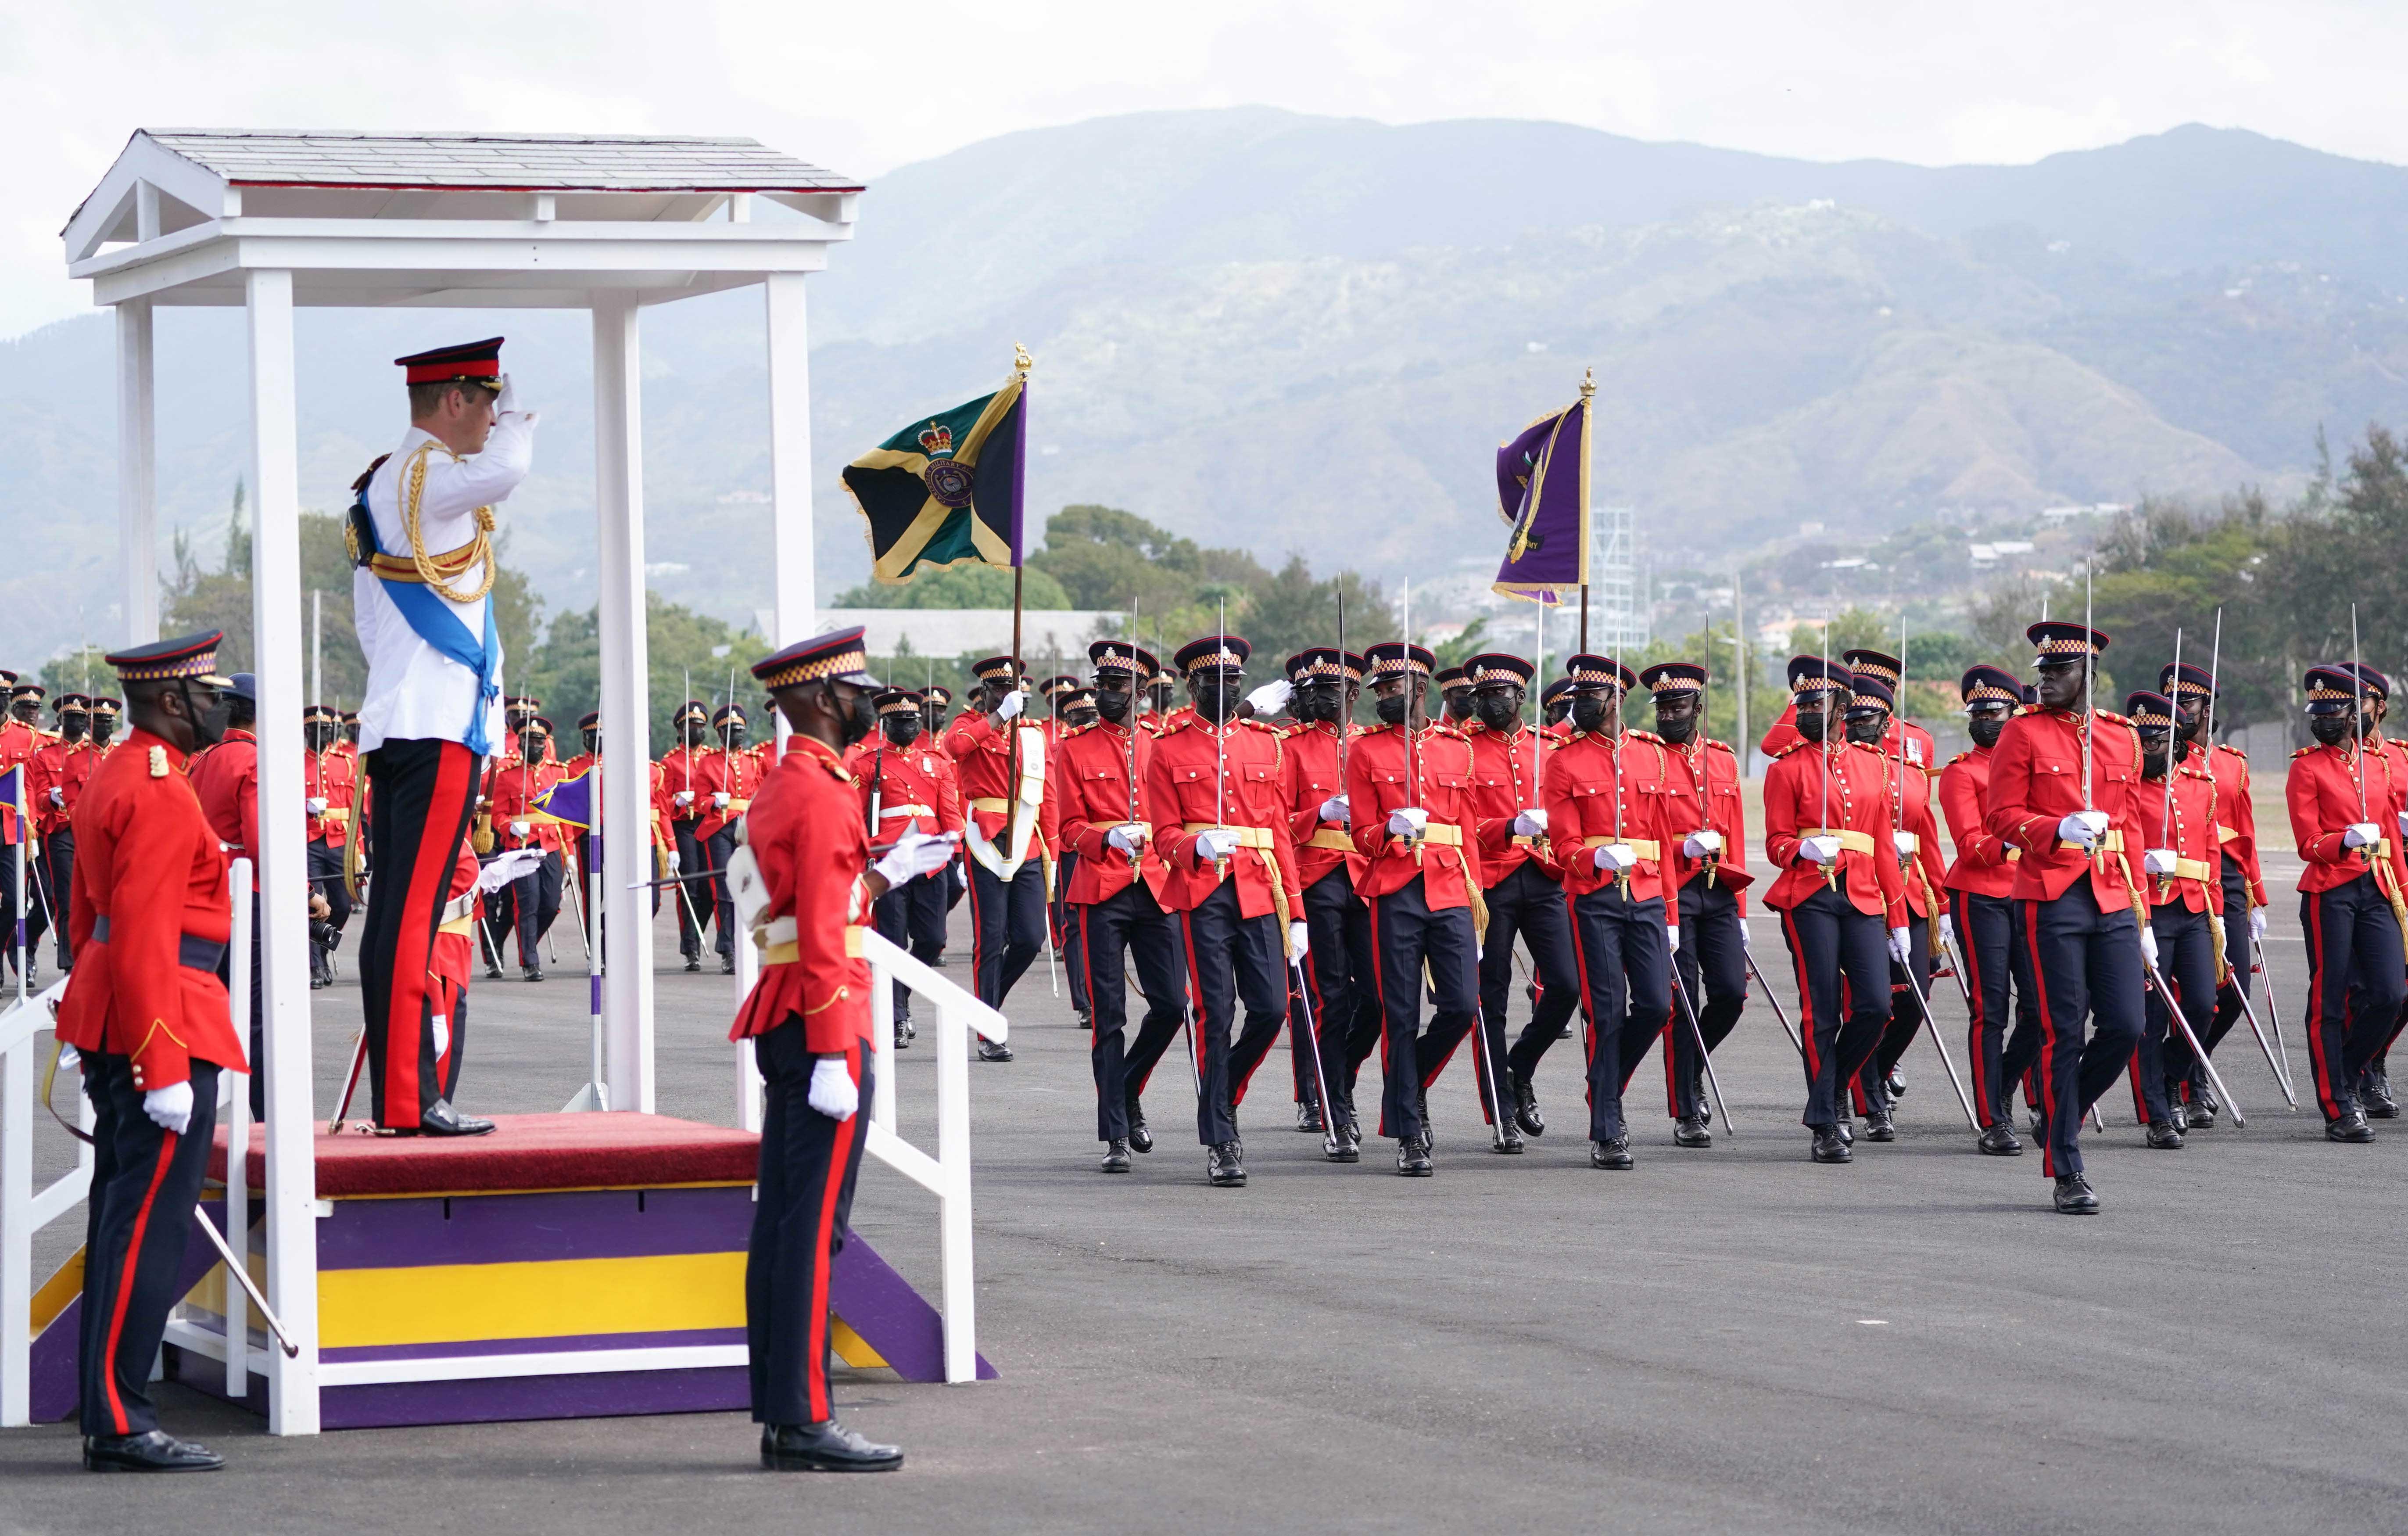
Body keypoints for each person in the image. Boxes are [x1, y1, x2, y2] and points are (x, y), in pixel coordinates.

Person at [733, 626, 948, 1473]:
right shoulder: (824, 792)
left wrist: (886, 875)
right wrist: (832, 1052)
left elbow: (782, 900)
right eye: (858, 693)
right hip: (824, 1019)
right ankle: (805, 1421)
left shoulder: (785, 784)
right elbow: (823, 931)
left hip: (786, 1009)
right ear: (824, 699)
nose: (868, 704)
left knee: (786, 1225)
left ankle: (786, 1409)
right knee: (813, 1229)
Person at [56, 631, 247, 1472]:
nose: (218, 705)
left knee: (121, 1216)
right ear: (172, 701)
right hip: (163, 1014)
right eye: (207, 694)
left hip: (127, 1011)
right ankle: (122, 1419)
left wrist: (84, 1010)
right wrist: (162, 1064)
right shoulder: (165, 791)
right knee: (144, 1229)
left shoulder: (119, 769)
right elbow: (139, 932)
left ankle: (110, 1407)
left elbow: (86, 905)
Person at [347, 335, 531, 1138]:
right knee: (410, 917)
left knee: (399, 913)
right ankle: (406, 1101)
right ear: (453, 400)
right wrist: (525, 417)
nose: (494, 416)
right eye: (487, 400)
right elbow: (509, 470)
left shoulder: (393, 483)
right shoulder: (423, 479)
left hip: (407, 721)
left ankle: (402, 1098)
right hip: (432, 728)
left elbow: (368, 623)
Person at [1987, 622, 2149, 1211]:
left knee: (2128, 1025)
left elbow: (2129, 830)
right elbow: (2001, 818)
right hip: (2051, 894)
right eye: (2044, 672)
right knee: (2062, 1030)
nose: (2047, 681)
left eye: (2060, 672)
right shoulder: (2021, 734)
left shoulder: (2122, 738)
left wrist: (2145, 920)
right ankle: (2067, 1169)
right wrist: (2056, 829)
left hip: (2110, 896)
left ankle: (2061, 1114)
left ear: (2089, 675)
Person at [1145, 634, 1304, 1185]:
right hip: (1203, 889)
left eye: (1232, 680)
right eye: (1212, 680)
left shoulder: (1268, 744)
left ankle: (1222, 1094)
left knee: (1270, 1010)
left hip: (1260, 889)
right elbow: (1163, 832)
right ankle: (1220, 1137)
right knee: (1216, 1013)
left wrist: (1299, 911)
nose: (1224, 687)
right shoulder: (1167, 748)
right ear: (1192, 685)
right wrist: (1193, 847)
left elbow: (1278, 830)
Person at [1348, 641, 1492, 1173]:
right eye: (1379, 689)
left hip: (1451, 888)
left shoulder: (1459, 747)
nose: (1384, 697)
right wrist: (1387, 828)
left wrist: (1476, 901)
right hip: (1396, 889)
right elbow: (1361, 835)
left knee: (1459, 1006)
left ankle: (1407, 1088)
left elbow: (1469, 832)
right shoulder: (1364, 751)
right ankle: (1409, 1129)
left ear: (1420, 688)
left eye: (1393, 688)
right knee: (1401, 1012)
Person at [1760, 657, 1907, 1165]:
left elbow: (1882, 844)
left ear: (1843, 707)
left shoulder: (1874, 764)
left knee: (1875, 1005)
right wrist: (1798, 850)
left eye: (1814, 702)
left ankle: (1829, 1089)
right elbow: (1776, 840)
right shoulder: (1786, 768)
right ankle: (1827, 1121)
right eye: (1799, 702)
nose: (1803, 711)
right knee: (1820, 1008)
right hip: (1808, 894)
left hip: (1864, 891)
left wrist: (1900, 918)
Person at [1054, 643, 1190, 1170]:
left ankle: (1127, 1085)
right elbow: (1067, 828)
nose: (1107, 694)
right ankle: (1114, 1130)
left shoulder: (1162, 744)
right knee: (1109, 1014)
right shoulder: (1075, 748)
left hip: (1157, 884)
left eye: (1118, 687)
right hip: (1102, 886)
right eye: (1102, 684)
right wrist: (1107, 836)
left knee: (1172, 1006)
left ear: (1139, 692)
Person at [1537, 654, 1673, 1169]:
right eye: (1578, 698)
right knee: (1608, 1010)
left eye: (1592, 698)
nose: (1582, 707)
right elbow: (1563, 843)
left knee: (1657, 1005)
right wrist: (1593, 856)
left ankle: (1604, 1083)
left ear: (1617, 700)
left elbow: (1660, 836)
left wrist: (1673, 912)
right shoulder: (1563, 760)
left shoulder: (1651, 756)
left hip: (1646, 895)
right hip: (1592, 896)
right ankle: (1608, 1127)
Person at [2286, 663, 2406, 1143]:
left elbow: (2392, 839)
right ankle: (2338, 1104)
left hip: (2376, 886)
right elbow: (2307, 842)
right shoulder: (2305, 766)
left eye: (2333, 711)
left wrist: (2399, 890)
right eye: (2317, 712)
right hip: (2329, 888)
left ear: (2355, 713)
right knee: (2330, 997)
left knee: (2390, 992)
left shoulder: (2377, 763)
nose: (2323, 720)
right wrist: (2342, 840)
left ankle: (2350, 1071)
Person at [1459, 652, 1571, 1151]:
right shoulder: (1463, 748)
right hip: (1493, 879)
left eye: (1497, 695)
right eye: (1480, 695)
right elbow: (1460, 823)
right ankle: (1500, 1109)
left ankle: (1519, 1066)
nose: (1486, 704)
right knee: (1493, 997)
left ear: (1520, 697)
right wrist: (1507, 826)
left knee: (1565, 986)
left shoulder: (1550, 748)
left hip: (1545, 876)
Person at [1642, 660, 1752, 1147]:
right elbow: (1639, 833)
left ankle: (1693, 1065)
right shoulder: (1647, 758)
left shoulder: (1723, 759)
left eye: (1679, 706)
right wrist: (1678, 849)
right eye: (1663, 707)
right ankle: (1685, 1104)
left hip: (1720, 889)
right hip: (1674, 887)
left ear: (1697, 708)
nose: (1669, 714)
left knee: (1730, 992)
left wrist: (1744, 910)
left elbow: (1738, 835)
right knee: (1681, 1000)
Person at [1939, 664, 2044, 1154]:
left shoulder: (2033, 763)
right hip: (1981, 893)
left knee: (2043, 1007)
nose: (1984, 720)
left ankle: (2007, 1084)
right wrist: (2027, 844)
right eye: (1977, 713)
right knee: (1991, 1006)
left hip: (2031, 891)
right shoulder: (1963, 772)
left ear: (2014, 713)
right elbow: (1970, 843)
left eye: (1994, 712)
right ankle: (1992, 1118)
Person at [2159, 661, 2269, 1126]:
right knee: (2187, 990)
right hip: (2178, 875)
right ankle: (2186, 1081)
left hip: (2225, 876)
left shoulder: (2231, 763)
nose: (2176, 711)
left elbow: (2244, 832)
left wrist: (2255, 895)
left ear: (2207, 706)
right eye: (2171, 702)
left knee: (2235, 990)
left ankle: (2186, 1066)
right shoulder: (2161, 755)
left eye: (2185, 702)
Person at [1841, 674, 1948, 1141]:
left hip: (1910, 890)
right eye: (1851, 718)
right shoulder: (1843, 768)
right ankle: (1869, 1100)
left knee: (1914, 1000)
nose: (1857, 726)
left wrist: (1941, 903)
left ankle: (1878, 1071)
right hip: (1859, 890)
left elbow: (1928, 837)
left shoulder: (1907, 771)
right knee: (1871, 1002)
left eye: (1867, 719)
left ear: (1886, 721)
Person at [1280, 646, 1377, 1152]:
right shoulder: (1291, 746)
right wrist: (1318, 812)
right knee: (1331, 998)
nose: (1317, 698)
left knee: (1380, 999)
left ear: (1353, 694)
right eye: (1311, 690)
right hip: (1316, 877)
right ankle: (1333, 1105)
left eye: (1329, 690)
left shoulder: (1371, 744)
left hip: (1368, 879)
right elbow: (1276, 823)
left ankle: (1341, 1075)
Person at [2121, 689, 2219, 1149]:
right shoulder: (2124, 788)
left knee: (2201, 1003)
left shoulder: (2200, 783)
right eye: (2140, 741)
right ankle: (2157, 1114)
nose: (2148, 749)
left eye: (2156, 740)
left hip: (2193, 906)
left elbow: (2212, 851)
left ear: (2176, 739)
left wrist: (2217, 912)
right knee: (2151, 1015)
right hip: (2149, 910)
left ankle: (2168, 1073)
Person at [946, 656, 1054, 1055]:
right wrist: (995, 720)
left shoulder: (1031, 735)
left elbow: (1048, 794)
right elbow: (955, 747)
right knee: (990, 939)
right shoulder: (967, 725)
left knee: (1029, 939)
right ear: (986, 693)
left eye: (1015, 691)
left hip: (1026, 839)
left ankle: (984, 1006)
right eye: (1000, 691)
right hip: (985, 839)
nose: (1009, 697)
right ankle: (988, 1029)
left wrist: (1053, 852)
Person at [845, 687, 962, 1048]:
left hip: (929, 861)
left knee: (933, 939)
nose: (908, 727)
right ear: (886, 724)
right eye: (899, 721)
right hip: (889, 861)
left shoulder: (938, 763)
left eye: (912, 720)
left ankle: (900, 995)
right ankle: (897, 1017)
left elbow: (950, 814)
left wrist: (956, 853)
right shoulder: (867, 764)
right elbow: (857, 817)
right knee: (893, 942)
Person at [186, 673, 265, 1117]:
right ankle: (269, 1124)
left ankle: (198, 1119)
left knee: (207, 1018)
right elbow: (260, 846)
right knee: (258, 1021)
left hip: (207, 900)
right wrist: (307, 894)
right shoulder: (253, 761)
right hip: (248, 899)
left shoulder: (203, 759)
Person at [484, 714, 566, 980]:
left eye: (539, 742)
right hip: (521, 845)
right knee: (528, 903)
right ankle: (530, 960)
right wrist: (509, 827)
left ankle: (522, 942)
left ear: (546, 744)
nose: (535, 747)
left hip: (551, 844)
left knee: (551, 905)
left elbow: (568, 815)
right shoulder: (507, 777)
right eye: (529, 742)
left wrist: (570, 852)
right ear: (519, 744)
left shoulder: (559, 773)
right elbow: (497, 814)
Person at [30, 693, 99, 973]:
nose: (77, 723)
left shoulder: (96, 755)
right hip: (62, 830)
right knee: (67, 898)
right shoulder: (46, 754)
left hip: (93, 831)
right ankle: (70, 963)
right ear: (60, 720)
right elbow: (38, 798)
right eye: (71, 718)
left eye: (81, 719)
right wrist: (53, 798)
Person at [697, 704, 762, 976]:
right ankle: (728, 949)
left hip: (747, 826)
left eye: (740, 730)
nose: (736, 734)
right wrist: (714, 800)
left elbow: (760, 794)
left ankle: (747, 943)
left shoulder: (754, 761)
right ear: (720, 733)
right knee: (724, 889)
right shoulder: (709, 762)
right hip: (720, 826)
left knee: (749, 884)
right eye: (730, 730)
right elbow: (700, 802)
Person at [301, 703, 358, 987]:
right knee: (312, 904)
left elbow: (354, 807)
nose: (321, 735)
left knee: (342, 904)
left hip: (338, 839)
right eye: (315, 730)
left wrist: (357, 846)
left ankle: (322, 948)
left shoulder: (345, 762)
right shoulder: (296, 762)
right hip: (308, 838)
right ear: (306, 732)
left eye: (326, 730)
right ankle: (313, 966)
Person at [658, 700, 716, 971]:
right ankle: (691, 948)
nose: (697, 730)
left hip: (709, 824)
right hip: (684, 827)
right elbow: (662, 804)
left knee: (709, 888)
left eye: (701, 725)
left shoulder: (713, 758)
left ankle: (696, 933)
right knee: (690, 887)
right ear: (681, 730)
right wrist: (677, 801)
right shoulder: (670, 762)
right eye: (691, 726)